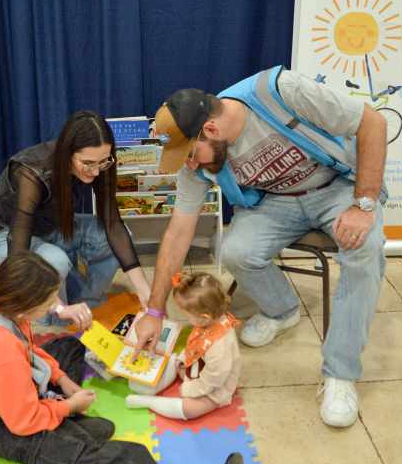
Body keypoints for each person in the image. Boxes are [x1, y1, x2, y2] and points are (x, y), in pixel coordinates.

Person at [132, 65, 388, 428]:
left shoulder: (282, 91)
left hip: (338, 188)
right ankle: (283, 311)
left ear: (211, 129)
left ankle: (341, 375)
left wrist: (363, 206)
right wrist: (155, 312)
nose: (191, 165)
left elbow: (373, 124)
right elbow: (177, 233)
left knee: (365, 249)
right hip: (277, 202)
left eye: (192, 153)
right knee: (236, 250)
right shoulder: (197, 163)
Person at [0, 251, 244, 464]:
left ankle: (68, 425)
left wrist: (62, 380)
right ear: (25, 304)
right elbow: (21, 421)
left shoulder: (3, 309)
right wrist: (68, 407)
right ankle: (73, 433)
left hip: (11, 393)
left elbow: (29, 353)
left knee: (69, 345)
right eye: (49, 303)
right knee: (108, 456)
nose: (54, 308)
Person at [0, 110, 151, 329]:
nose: (95, 171)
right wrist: (57, 307)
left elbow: (113, 224)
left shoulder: (100, 164)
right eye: (88, 163)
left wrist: (143, 289)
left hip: (55, 225)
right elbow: (19, 247)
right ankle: (55, 322)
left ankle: (85, 306)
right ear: (67, 153)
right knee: (55, 260)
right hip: (10, 238)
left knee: (119, 237)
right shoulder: (30, 174)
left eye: (103, 162)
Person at [126, 272, 241, 420]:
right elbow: (195, 343)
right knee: (174, 361)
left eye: (187, 317)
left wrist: (188, 389)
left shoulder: (220, 348)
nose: (187, 320)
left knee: (189, 409)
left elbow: (211, 381)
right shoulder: (209, 321)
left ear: (203, 317)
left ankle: (149, 402)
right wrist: (183, 358)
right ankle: (151, 386)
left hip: (215, 389)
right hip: (197, 368)